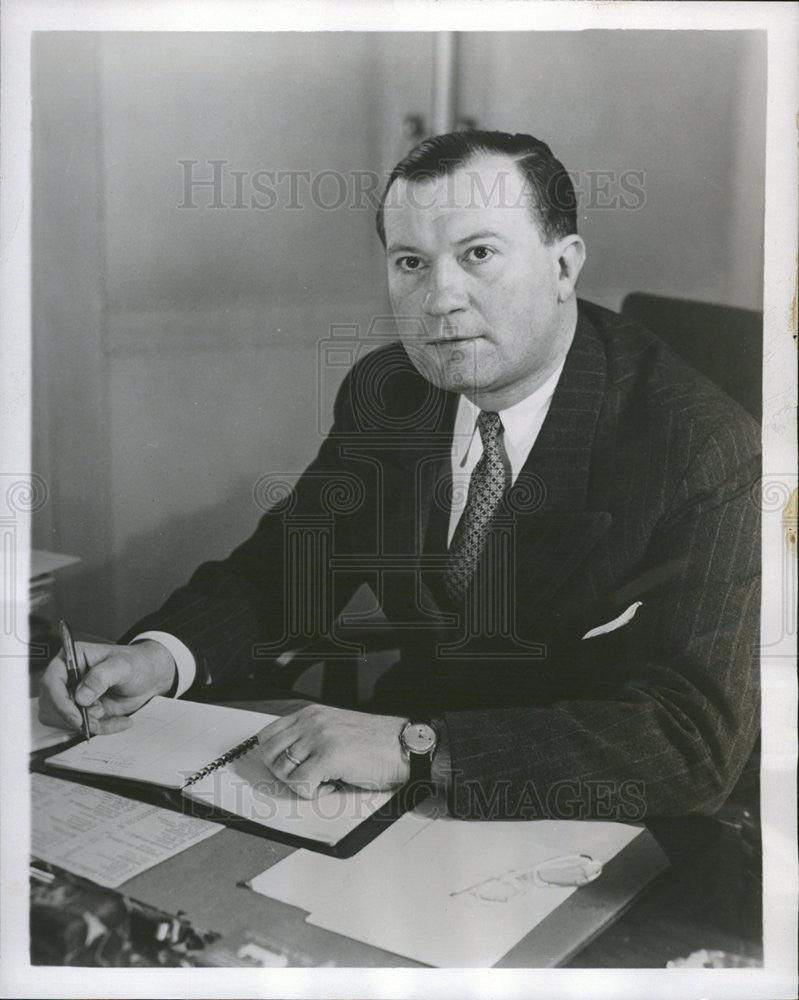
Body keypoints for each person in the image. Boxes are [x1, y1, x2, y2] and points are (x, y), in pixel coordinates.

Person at [40, 131, 761, 821]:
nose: (439, 299)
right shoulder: (392, 393)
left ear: (564, 266)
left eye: (477, 253)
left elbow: (691, 743)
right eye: (411, 263)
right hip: (382, 797)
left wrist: (417, 749)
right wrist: (157, 659)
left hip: (588, 819)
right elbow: (290, 567)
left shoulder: (700, 448)